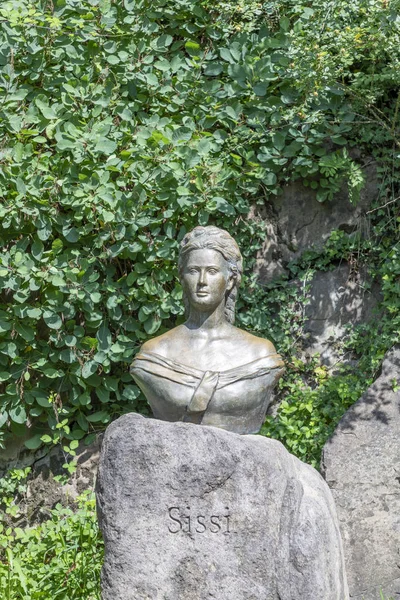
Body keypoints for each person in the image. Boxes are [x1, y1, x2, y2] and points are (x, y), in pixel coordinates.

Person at [130, 225, 284, 434]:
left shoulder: (260, 354)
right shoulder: (155, 353)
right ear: (182, 278)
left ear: (230, 280)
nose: (202, 282)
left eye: (212, 271)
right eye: (194, 271)